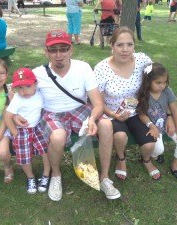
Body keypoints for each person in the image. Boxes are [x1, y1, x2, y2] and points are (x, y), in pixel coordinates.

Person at [14, 30, 121, 201]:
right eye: (53, 50)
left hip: (80, 109)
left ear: (71, 50)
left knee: (106, 125)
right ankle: (56, 175)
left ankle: (105, 178)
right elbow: (14, 90)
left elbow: (97, 103)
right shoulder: (37, 73)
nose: (59, 55)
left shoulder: (83, 68)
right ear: (46, 51)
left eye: (63, 49)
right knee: (58, 136)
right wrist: (13, 116)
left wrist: (92, 119)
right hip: (52, 112)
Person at [94, 27, 174, 181]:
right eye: (120, 45)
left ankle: (146, 160)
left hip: (138, 111)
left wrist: (169, 115)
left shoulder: (143, 61)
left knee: (149, 144)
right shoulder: (102, 68)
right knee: (120, 137)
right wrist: (113, 114)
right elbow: (97, 100)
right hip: (111, 113)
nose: (125, 50)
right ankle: (121, 158)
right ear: (111, 45)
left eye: (129, 44)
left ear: (134, 45)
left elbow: (161, 85)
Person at [136, 63, 177, 179]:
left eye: (164, 82)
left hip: (168, 125)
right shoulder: (143, 94)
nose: (162, 86)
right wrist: (151, 126)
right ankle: (151, 157)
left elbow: (175, 110)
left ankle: (174, 165)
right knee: (159, 150)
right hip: (154, 128)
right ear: (148, 81)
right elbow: (142, 114)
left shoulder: (167, 91)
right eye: (158, 83)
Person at [5, 68, 51, 194]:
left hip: (37, 127)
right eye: (20, 88)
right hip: (22, 130)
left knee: (45, 149)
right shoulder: (17, 99)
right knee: (24, 155)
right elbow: (7, 116)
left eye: (28, 86)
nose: (24, 91)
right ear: (16, 89)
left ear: (36, 84)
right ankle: (30, 177)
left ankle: (46, 174)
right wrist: (15, 133)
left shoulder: (40, 94)